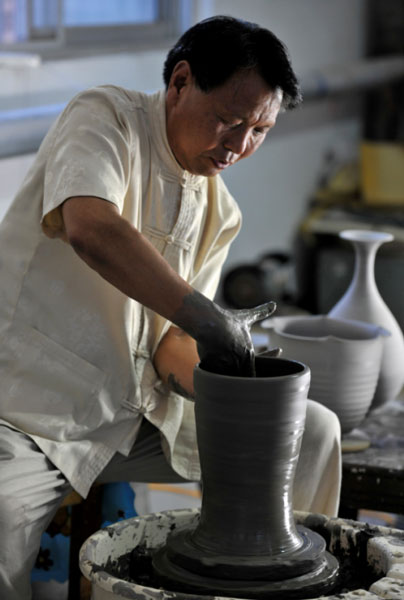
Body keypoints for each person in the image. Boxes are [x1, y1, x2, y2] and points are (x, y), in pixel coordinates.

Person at [0, 15, 341, 599]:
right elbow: (91, 227)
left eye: (260, 130)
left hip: (133, 417)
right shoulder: (107, 117)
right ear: (181, 82)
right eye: (229, 120)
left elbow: (170, 345)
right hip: (31, 413)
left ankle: (284, 579)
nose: (239, 146)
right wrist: (208, 317)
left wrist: (234, 383)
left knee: (311, 431)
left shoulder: (220, 211)